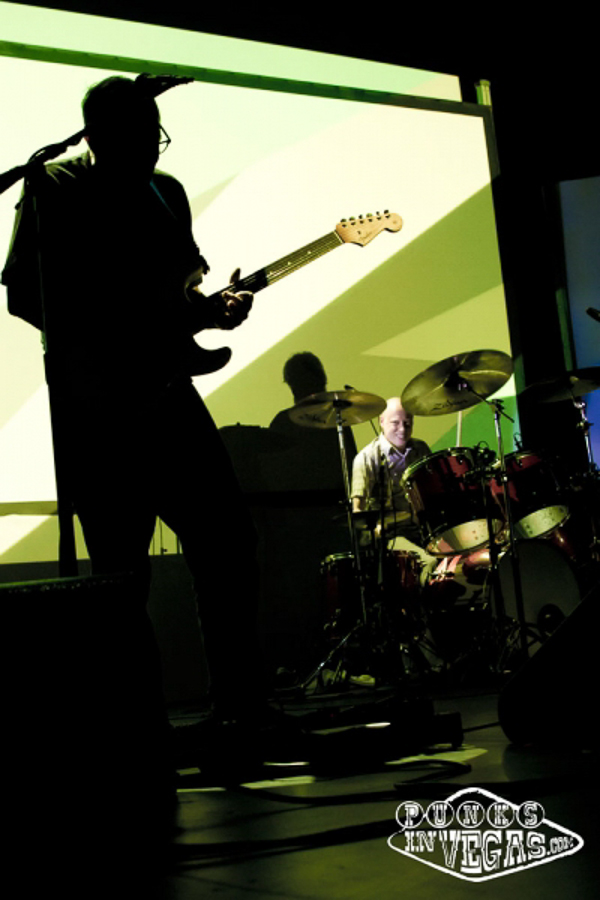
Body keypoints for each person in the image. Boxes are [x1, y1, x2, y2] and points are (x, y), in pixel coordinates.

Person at [1, 75, 265, 727]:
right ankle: (138, 732)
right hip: (99, 413)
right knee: (121, 579)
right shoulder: (53, 186)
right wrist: (111, 341)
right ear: (96, 138)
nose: (151, 149)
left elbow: (181, 292)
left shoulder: (165, 191)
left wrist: (214, 311)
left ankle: (241, 710)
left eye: (156, 135)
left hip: (171, 396)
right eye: (138, 137)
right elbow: (24, 295)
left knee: (228, 544)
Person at [351, 397, 437, 577]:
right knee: (431, 562)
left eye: (407, 423)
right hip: (390, 535)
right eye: (395, 423)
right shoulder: (366, 458)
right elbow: (357, 510)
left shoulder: (420, 448)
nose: (402, 429)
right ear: (381, 421)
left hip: (423, 530)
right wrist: (373, 529)